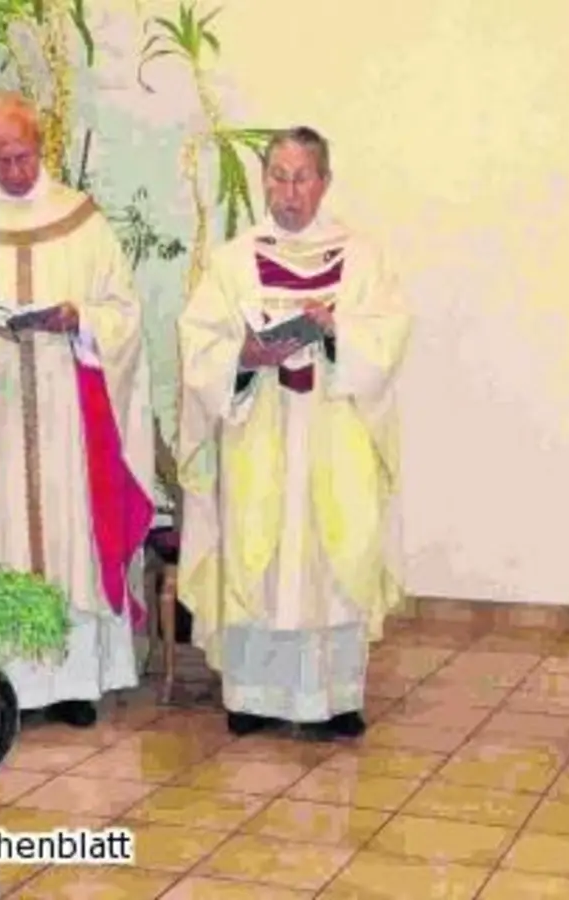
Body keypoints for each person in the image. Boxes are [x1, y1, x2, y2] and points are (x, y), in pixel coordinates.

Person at [0, 92, 155, 727]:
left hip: (66, 410)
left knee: (68, 534)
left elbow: (124, 313)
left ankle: (73, 684)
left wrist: (80, 320)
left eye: (25, 155)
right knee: (2, 539)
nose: (16, 169)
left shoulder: (81, 219)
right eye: (3, 158)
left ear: (41, 145)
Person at [176, 126, 411, 740]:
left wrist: (334, 332)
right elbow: (199, 344)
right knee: (261, 557)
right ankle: (252, 697)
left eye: (300, 176)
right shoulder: (231, 262)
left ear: (324, 181)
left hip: (336, 440)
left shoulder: (361, 258)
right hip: (259, 436)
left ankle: (337, 699)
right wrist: (246, 357)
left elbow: (386, 337)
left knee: (334, 561)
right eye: (276, 177)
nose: (287, 191)